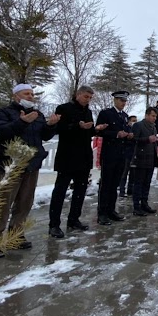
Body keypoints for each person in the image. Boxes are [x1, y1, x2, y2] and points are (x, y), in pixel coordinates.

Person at [0, 83, 59, 255]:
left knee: (24, 203)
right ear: (15, 96)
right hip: (9, 166)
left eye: (32, 94)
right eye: (26, 94)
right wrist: (21, 122)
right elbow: (0, 131)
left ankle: (16, 236)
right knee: (3, 204)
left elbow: (43, 135)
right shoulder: (3, 112)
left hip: (31, 165)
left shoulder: (37, 114)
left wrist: (51, 125)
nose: (30, 97)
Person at [48, 86, 100, 239]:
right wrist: (78, 126)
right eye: (85, 97)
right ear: (78, 95)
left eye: (90, 98)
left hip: (83, 157)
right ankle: (54, 224)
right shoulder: (64, 108)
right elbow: (59, 129)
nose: (88, 100)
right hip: (67, 156)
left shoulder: (88, 112)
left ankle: (74, 219)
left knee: (80, 190)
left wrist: (95, 129)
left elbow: (89, 132)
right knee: (60, 191)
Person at [95, 91, 133, 224]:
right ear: (115, 100)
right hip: (109, 153)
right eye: (121, 100)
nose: (123, 103)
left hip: (121, 154)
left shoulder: (124, 116)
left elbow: (126, 131)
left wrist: (128, 135)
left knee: (115, 183)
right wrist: (116, 134)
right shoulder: (106, 113)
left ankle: (111, 209)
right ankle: (102, 213)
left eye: (125, 101)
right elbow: (99, 131)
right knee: (106, 183)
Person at [130, 107, 158, 216]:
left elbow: (153, 141)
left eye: (155, 116)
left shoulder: (154, 127)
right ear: (146, 115)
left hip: (150, 158)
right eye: (152, 116)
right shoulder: (138, 125)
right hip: (140, 158)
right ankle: (136, 207)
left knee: (147, 183)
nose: (154, 118)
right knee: (138, 183)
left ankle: (144, 203)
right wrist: (147, 139)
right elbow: (133, 140)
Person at [119, 115, 137, 197]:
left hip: (134, 154)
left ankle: (130, 189)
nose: (134, 122)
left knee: (133, 174)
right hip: (127, 153)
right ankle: (122, 190)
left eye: (135, 121)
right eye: (133, 120)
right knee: (124, 173)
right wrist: (128, 137)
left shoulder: (136, 129)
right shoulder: (125, 129)